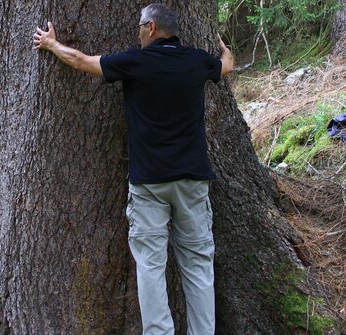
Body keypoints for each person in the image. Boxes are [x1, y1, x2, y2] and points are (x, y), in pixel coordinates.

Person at [33, 3, 233, 335]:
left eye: (141, 26)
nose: (138, 31)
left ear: (152, 28)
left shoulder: (135, 62)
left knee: (151, 268)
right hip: (192, 180)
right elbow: (226, 67)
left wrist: (52, 45)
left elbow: (81, 61)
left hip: (150, 184)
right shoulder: (197, 61)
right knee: (198, 265)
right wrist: (226, 52)